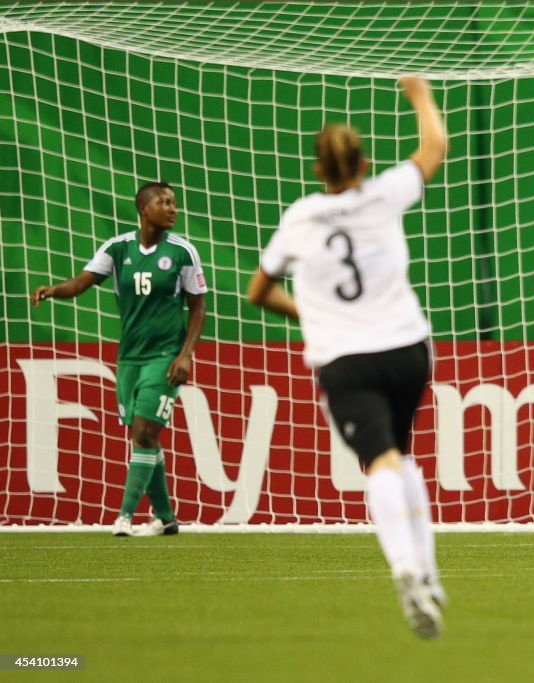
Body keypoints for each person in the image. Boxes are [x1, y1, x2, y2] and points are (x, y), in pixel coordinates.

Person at [247, 76, 447, 638]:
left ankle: (406, 568)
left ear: (318, 170)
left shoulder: (300, 218)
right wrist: (419, 96)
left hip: (346, 358)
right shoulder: (385, 194)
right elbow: (433, 148)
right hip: (408, 349)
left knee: (381, 462)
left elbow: (257, 291)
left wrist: (309, 314)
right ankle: (429, 577)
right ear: (363, 165)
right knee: (402, 457)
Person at [31, 182, 208, 538]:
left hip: (165, 357)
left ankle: (124, 516)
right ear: (144, 208)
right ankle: (166, 518)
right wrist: (54, 290)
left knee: (144, 432)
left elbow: (198, 306)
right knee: (143, 437)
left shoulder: (182, 252)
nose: (173, 208)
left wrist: (185, 354)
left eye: (174, 203)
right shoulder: (117, 248)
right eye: (164, 202)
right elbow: (82, 281)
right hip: (129, 359)